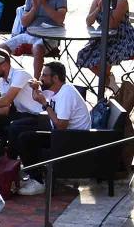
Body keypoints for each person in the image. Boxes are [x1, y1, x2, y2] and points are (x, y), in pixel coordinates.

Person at [12, 61, 91, 195]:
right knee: (17, 127)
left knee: (26, 138)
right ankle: (28, 172)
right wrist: (35, 89)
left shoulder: (66, 93)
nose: (41, 78)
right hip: (60, 133)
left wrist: (45, 105)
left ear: (55, 78)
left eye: (44, 75)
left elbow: (61, 125)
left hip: (71, 139)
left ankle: (38, 182)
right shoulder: (55, 90)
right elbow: (37, 98)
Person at [0, 0, 66, 76]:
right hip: (30, 33)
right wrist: (35, 7)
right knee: (0, 48)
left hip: (49, 36)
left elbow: (60, 19)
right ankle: (7, 77)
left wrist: (44, 3)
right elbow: (24, 22)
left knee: (38, 48)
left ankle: (36, 82)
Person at [75, 0, 134, 83]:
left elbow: (112, 24)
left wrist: (106, 6)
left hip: (121, 38)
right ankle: (109, 82)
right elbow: (89, 22)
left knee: (104, 59)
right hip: (102, 37)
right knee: (83, 55)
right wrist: (98, 8)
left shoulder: (122, 2)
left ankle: (107, 86)